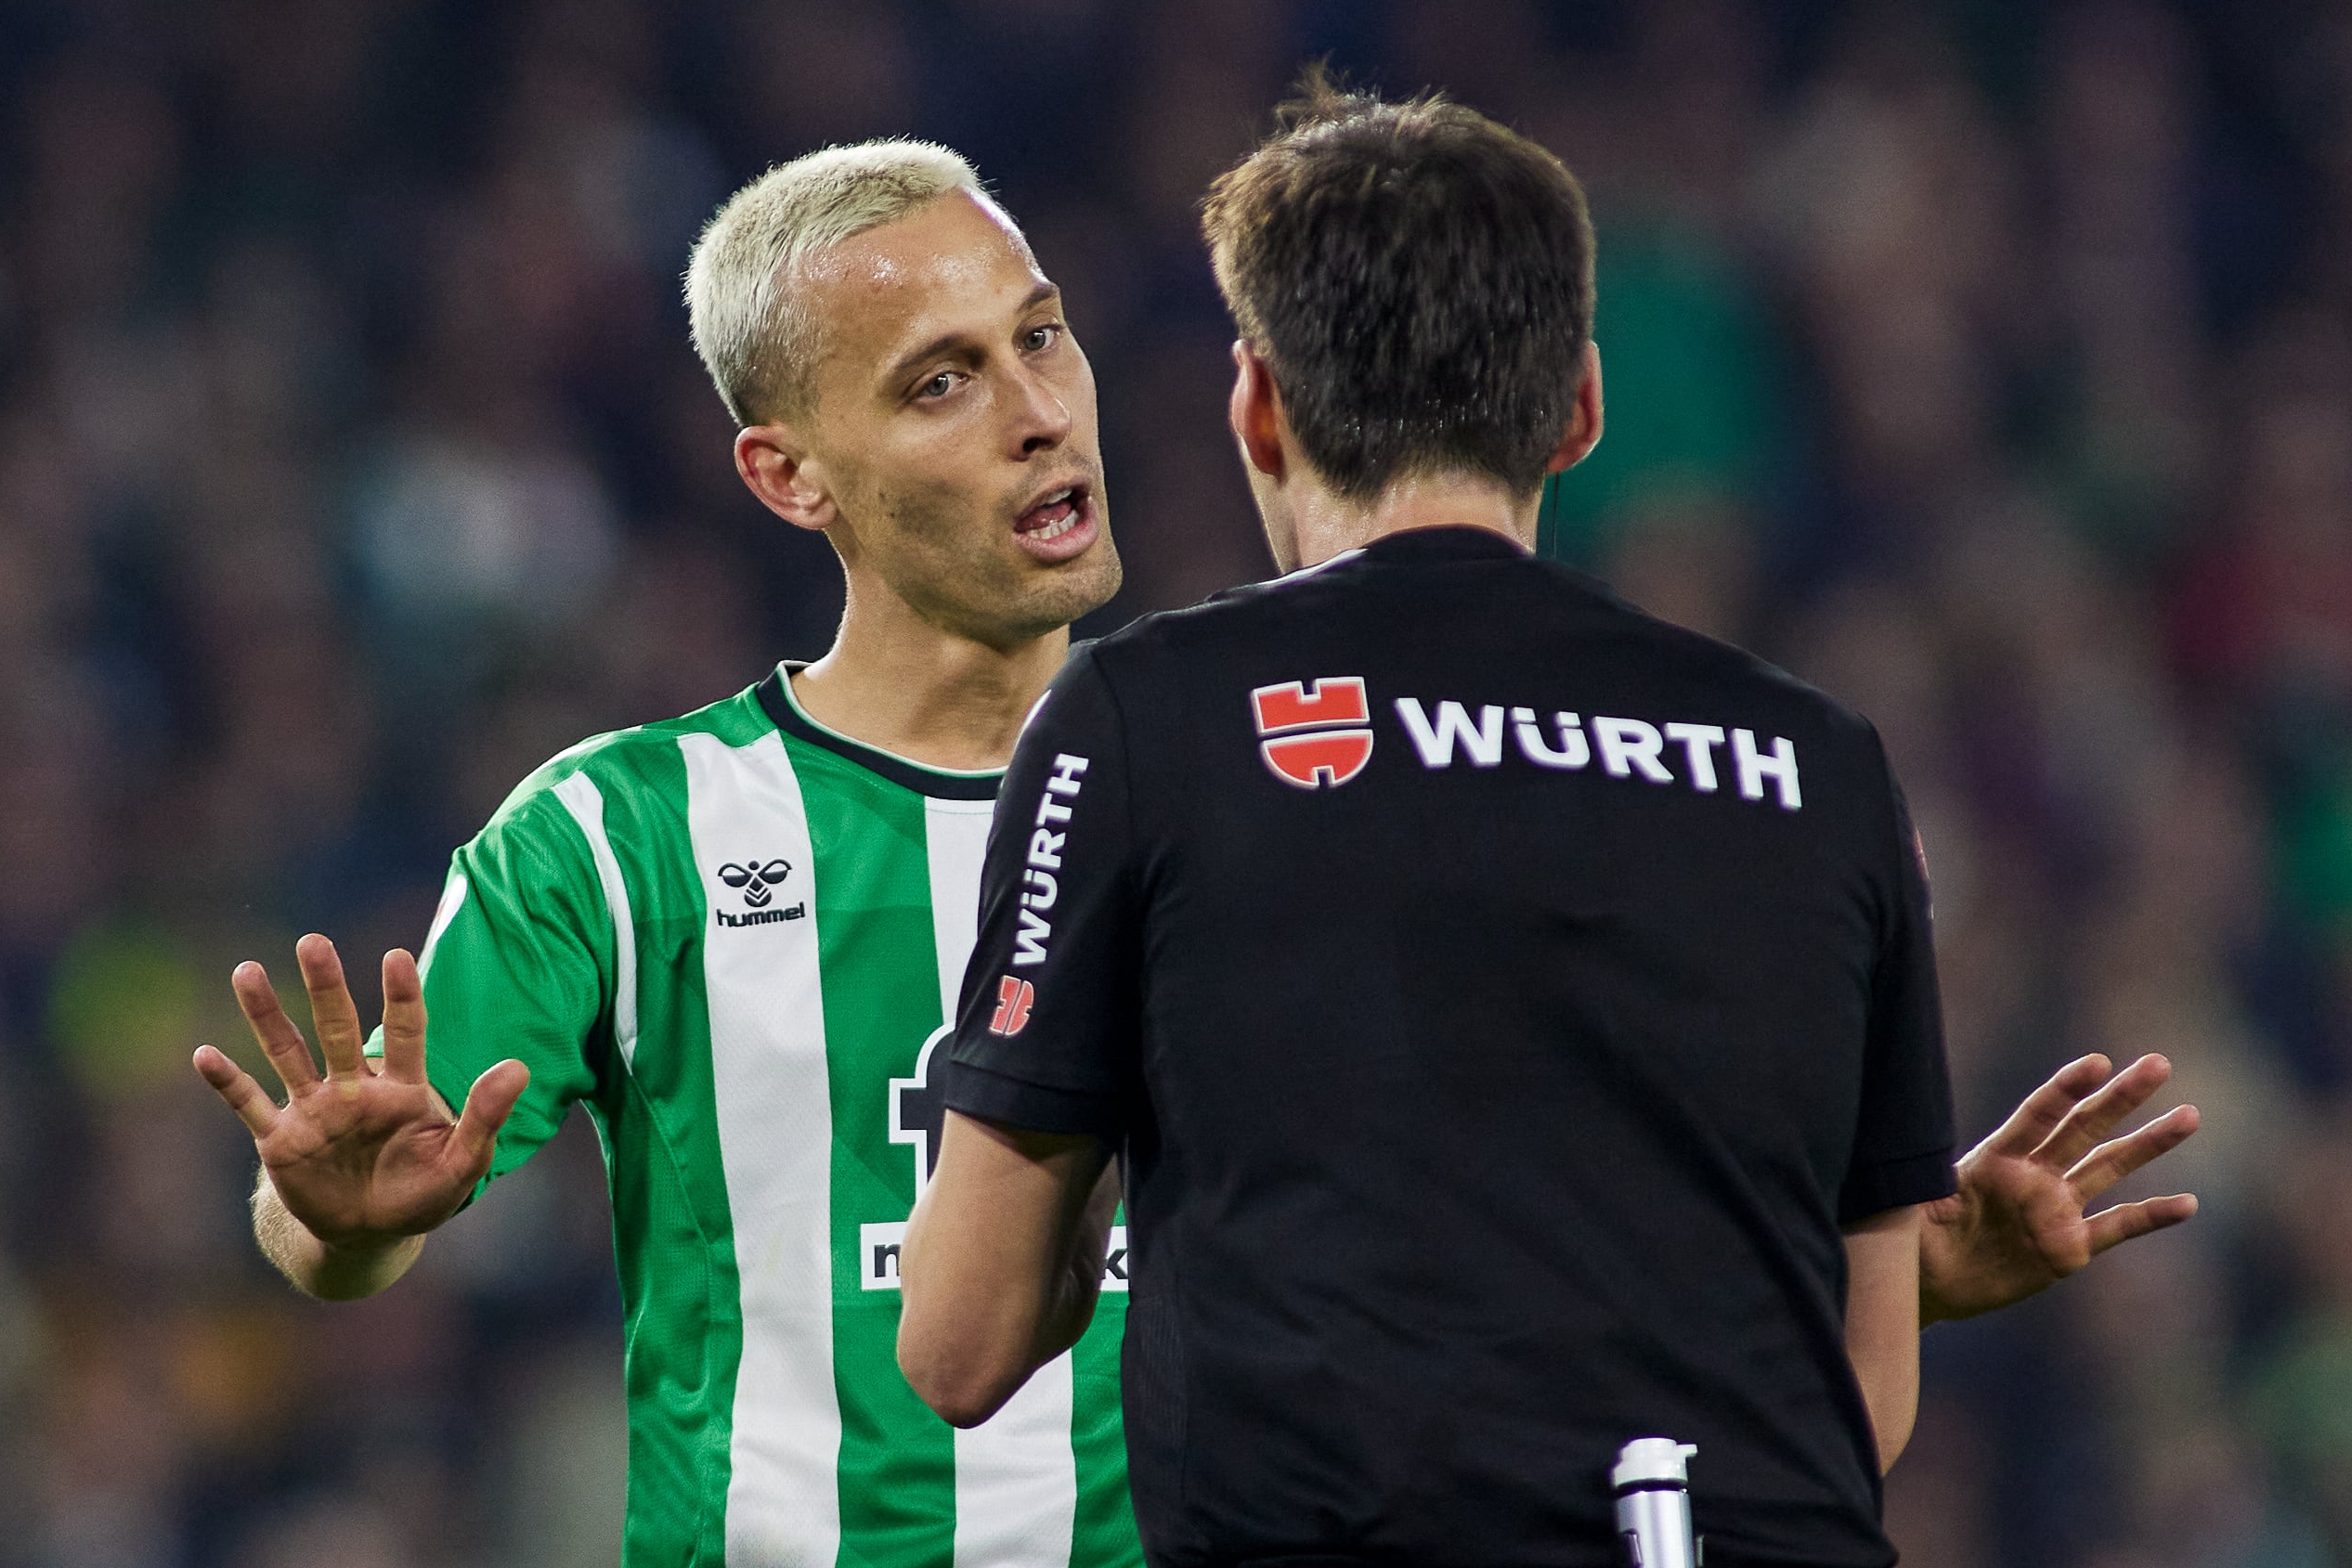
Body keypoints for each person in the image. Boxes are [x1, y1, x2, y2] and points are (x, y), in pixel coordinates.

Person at [193, 136, 2197, 1568]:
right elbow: (338, 1237)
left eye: (1042, 338)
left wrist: (1895, 1274)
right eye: (942, 381)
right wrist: (349, 1215)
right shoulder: (621, 835)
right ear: (784, 472)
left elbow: (1490, 1258)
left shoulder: (1272, 776)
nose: (1037, 416)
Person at [894, 82, 2201, 1568]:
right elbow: (1857, 1404)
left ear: (1256, 404)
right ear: (1579, 405)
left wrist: (1086, 1131)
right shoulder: (1819, 761)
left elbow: (960, 1342)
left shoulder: (1145, 717)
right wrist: (1899, 1268)